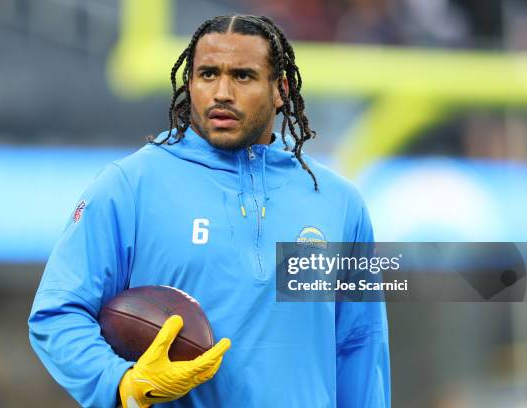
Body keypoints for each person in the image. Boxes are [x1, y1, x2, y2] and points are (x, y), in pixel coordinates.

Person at [28, 14, 390, 408]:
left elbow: (360, 345)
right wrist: (123, 384)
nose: (221, 92)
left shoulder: (338, 203)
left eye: (243, 76)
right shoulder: (130, 186)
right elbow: (57, 314)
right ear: (190, 84)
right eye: (207, 74)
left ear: (280, 89)